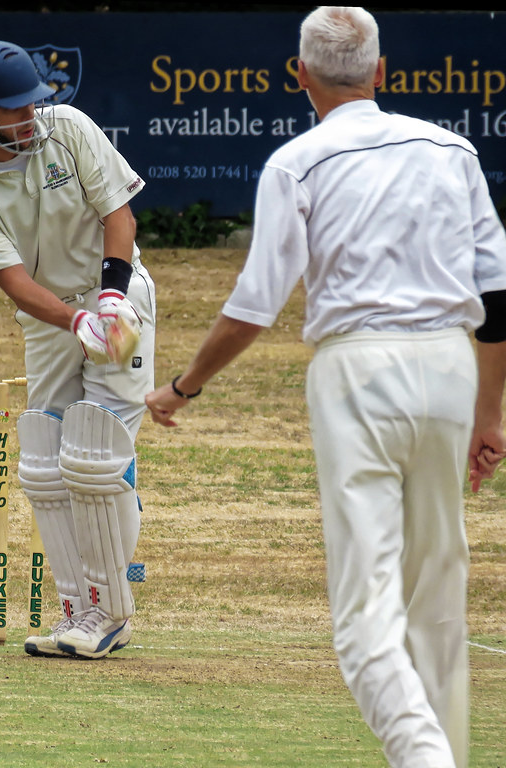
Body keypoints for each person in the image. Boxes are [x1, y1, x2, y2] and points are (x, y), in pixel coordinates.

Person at [145, 7, 506, 767]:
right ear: (382, 71)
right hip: (448, 364)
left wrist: (182, 388)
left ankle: (426, 758)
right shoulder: (454, 151)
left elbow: (254, 306)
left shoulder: (297, 162)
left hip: (358, 371)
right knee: (437, 583)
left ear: (299, 74)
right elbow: (498, 298)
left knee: (367, 611)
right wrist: (489, 412)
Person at [0, 41, 156, 659]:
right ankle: (76, 610)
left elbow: (118, 213)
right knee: (44, 462)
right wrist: (74, 322)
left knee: (94, 453)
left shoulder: (68, 129)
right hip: (50, 317)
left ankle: (112, 612)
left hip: (115, 292)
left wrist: (110, 301)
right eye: (15, 110)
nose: (30, 118)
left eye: (34, 104)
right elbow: (15, 283)